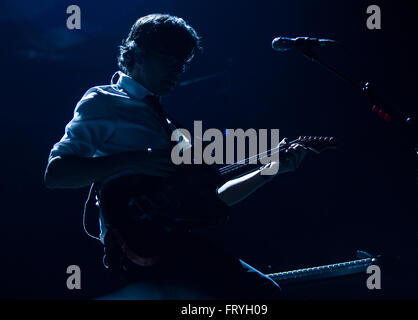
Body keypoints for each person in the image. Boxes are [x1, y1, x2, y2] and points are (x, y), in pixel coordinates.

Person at [44, 13, 306, 299]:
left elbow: (211, 199)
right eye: (169, 61)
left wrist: (268, 171)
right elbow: (56, 174)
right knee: (261, 293)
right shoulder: (103, 101)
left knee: (263, 292)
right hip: (137, 249)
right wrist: (132, 160)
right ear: (137, 54)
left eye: (182, 64)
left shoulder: (168, 126)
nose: (177, 71)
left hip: (175, 242)